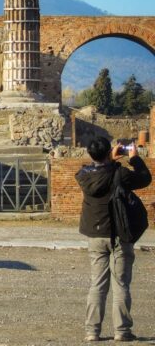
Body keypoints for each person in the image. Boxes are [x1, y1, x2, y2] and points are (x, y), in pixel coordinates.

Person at [75, 136, 151, 342]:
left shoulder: (83, 175)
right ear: (109, 152)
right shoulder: (120, 174)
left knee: (97, 284)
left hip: (95, 235)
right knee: (121, 284)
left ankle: (92, 331)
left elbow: (101, 172)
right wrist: (134, 158)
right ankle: (122, 330)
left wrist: (110, 160)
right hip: (119, 234)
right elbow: (145, 179)